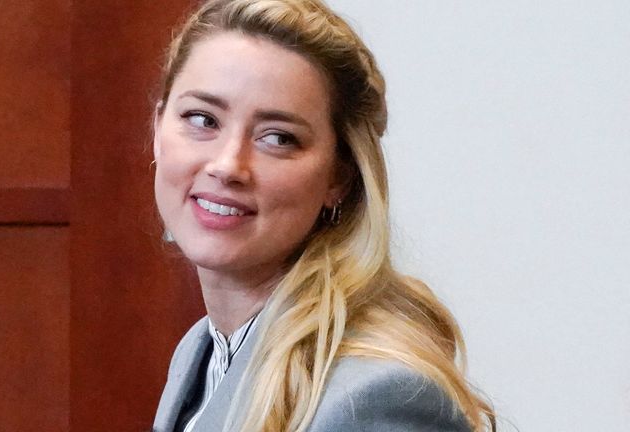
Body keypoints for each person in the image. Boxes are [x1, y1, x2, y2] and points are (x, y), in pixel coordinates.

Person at [150, 0, 495, 431]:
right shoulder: (201, 349)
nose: (227, 165)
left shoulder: (375, 394)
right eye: (202, 119)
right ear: (159, 129)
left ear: (340, 176)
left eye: (277, 138)